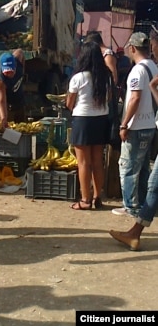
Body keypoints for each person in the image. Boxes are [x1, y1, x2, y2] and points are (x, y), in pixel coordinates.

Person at [109, 26, 158, 251]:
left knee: (129, 168)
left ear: (131, 48)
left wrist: (124, 123)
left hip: (137, 126)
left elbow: (135, 99)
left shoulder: (137, 71)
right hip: (150, 125)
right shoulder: (153, 67)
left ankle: (131, 208)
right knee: (148, 175)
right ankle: (137, 221)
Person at [66, 41, 111, 210]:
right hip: (101, 119)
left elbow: (69, 104)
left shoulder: (78, 77)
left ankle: (85, 199)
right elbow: (108, 97)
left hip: (83, 120)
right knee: (98, 161)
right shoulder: (105, 76)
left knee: (83, 162)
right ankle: (98, 196)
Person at [0, 49, 26, 128]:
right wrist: (3, 119)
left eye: (11, 71)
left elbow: (20, 51)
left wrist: (23, 70)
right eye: (6, 72)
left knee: (22, 128)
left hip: (20, 102)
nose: (9, 74)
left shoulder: (18, 60)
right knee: (8, 130)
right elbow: (1, 102)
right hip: (8, 106)